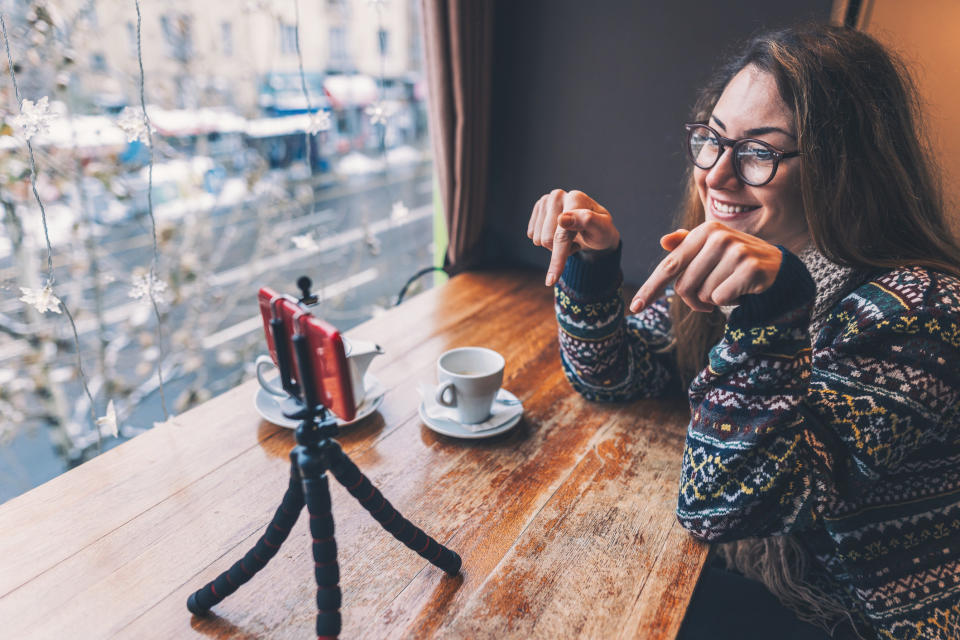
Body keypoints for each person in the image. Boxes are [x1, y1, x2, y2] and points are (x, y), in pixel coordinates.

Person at [527, 23, 960, 640]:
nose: (717, 176)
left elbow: (724, 503)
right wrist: (594, 267)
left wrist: (770, 313)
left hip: (858, 615)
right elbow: (615, 376)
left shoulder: (921, 311)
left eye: (760, 151)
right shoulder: (748, 254)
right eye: (713, 139)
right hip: (763, 574)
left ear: (846, 165)